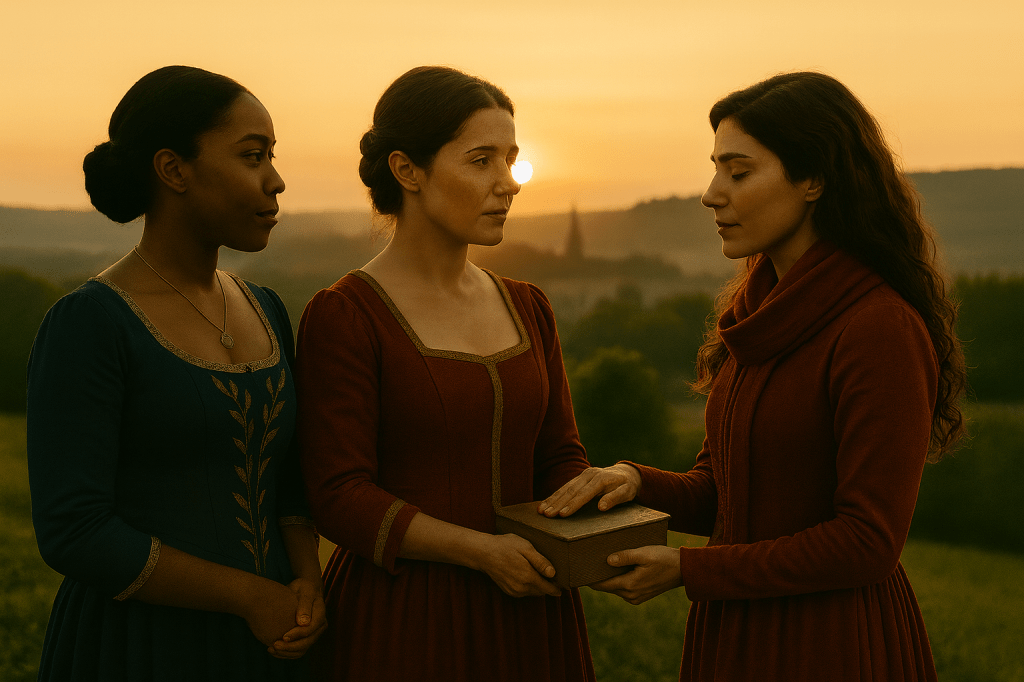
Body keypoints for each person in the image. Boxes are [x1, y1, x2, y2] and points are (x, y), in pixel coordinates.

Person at [539, 72, 967, 681]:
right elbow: (728, 494)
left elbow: (867, 543)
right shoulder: (756, 317)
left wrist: (690, 571)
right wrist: (632, 480)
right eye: (716, 170)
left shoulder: (877, 328)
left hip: (832, 646)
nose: (713, 194)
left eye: (738, 173)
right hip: (736, 637)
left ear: (813, 178)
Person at [295, 66, 595, 681]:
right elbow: (338, 495)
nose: (508, 184)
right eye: (481, 161)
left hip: (533, 611)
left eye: (511, 160)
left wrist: (596, 527)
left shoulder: (528, 305)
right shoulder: (347, 315)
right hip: (407, 619)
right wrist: (482, 553)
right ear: (407, 171)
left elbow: (558, 455)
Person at [27, 65, 326, 681]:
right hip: (139, 648)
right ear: (173, 170)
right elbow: (74, 529)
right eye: (252, 156)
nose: (276, 181)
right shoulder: (91, 323)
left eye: (272, 155)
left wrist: (306, 585)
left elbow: (289, 478)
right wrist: (249, 596)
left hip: (274, 646)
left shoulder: (267, 308)